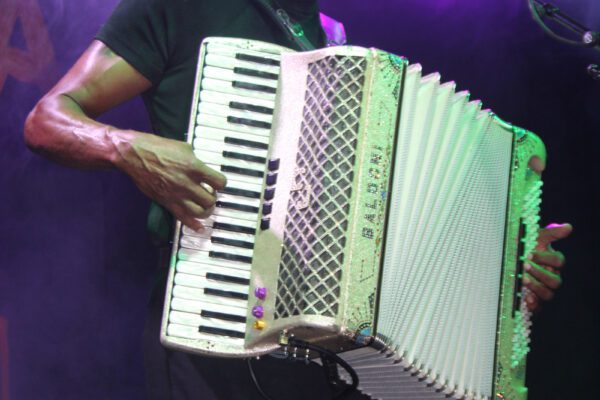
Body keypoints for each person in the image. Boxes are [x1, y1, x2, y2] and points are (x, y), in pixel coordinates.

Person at [23, 0, 572, 398]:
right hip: (212, 329)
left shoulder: (332, 40)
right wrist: (125, 146)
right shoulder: (179, 6)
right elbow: (48, 119)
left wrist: (501, 274)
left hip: (322, 363)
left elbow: (396, 231)